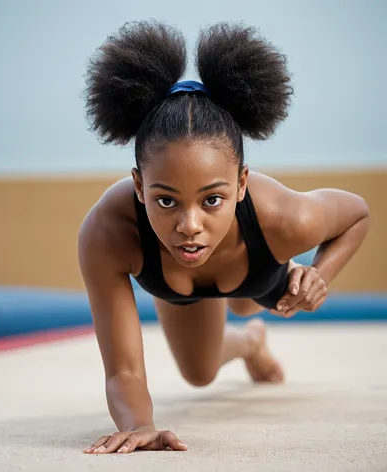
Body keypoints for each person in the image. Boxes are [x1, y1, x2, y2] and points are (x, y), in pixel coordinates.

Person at [78, 20, 370, 455]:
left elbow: (357, 214)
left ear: (241, 183)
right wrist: (139, 424)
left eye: (212, 200)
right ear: (139, 187)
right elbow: (124, 370)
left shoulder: (288, 218)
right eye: (165, 202)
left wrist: (319, 273)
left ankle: (249, 303)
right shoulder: (108, 233)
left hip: (260, 270)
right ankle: (250, 340)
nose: (189, 226)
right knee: (199, 374)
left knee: (246, 296)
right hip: (180, 286)